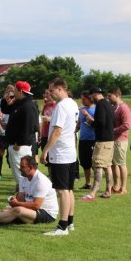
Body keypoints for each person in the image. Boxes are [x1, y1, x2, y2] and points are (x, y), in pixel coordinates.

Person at [0, 156, 58, 227]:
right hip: (34, 211)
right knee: (6, 211)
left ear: (30, 167)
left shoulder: (41, 181)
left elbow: (36, 205)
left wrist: (17, 204)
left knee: (18, 210)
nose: (19, 169)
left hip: (47, 214)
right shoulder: (23, 178)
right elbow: (21, 198)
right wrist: (14, 201)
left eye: (22, 167)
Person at [41, 77, 79, 236]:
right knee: (69, 190)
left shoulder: (61, 106)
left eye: (51, 90)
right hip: (70, 152)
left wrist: (45, 150)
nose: (50, 93)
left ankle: (62, 226)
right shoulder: (73, 103)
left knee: (62, 191)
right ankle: (69, 222)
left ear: (60, 88)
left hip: (60, 154)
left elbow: (57, 130)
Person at [4, 81, 39, 194]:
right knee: (18, 173)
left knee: (23, 173)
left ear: (20, 91)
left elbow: (28, 127)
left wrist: (18, 143)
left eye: (15, 90)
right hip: (15, 144)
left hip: (20, 146)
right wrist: (5, 100)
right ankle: (24, 194)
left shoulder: (28, 106)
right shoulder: (19, 103)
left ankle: (27, 195)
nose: (13, 92)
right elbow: (5, 110)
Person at [81, 87, 115, 201]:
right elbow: (113, 122)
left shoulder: (100, 104)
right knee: (107, 166)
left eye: (91, 97)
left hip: (102, 140)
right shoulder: (108, 103)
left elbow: (100, 123)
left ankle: (93, 192)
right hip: (110, 139)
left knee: (98, 165)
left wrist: (90, 122)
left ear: (94, 94)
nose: (91, 99)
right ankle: (108, 191)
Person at [107, 87, 131, 194]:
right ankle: (116, 186)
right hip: (113, 140)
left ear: (117, 95)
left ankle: (124, 187)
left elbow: (127, 125)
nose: (108, 98)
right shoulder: (113, 107)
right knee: (113, 164)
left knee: (121, 164)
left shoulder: (124, 108)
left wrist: (113, 130)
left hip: (120, 140)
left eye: (110, 96)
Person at [76, 91, 96, 190]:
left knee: (95, 163)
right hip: (83, 139)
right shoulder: (81, 109)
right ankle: (88, 183)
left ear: (90, 98)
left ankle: (96, 184)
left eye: (84, 99)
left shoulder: (96, 109)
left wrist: (87, 114)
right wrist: (74, 130)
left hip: (92, 139)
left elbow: (96, 123)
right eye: (81, 99)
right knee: (84, 162)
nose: (82, 101)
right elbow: (79, 123)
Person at [0, 88, 12, 180]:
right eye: (7, 93)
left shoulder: (16, 101)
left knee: (11, 153)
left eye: (10, 94)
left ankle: (14, 171)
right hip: (2, 132)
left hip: (12, 132)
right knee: (1, 152)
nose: (8, 96)